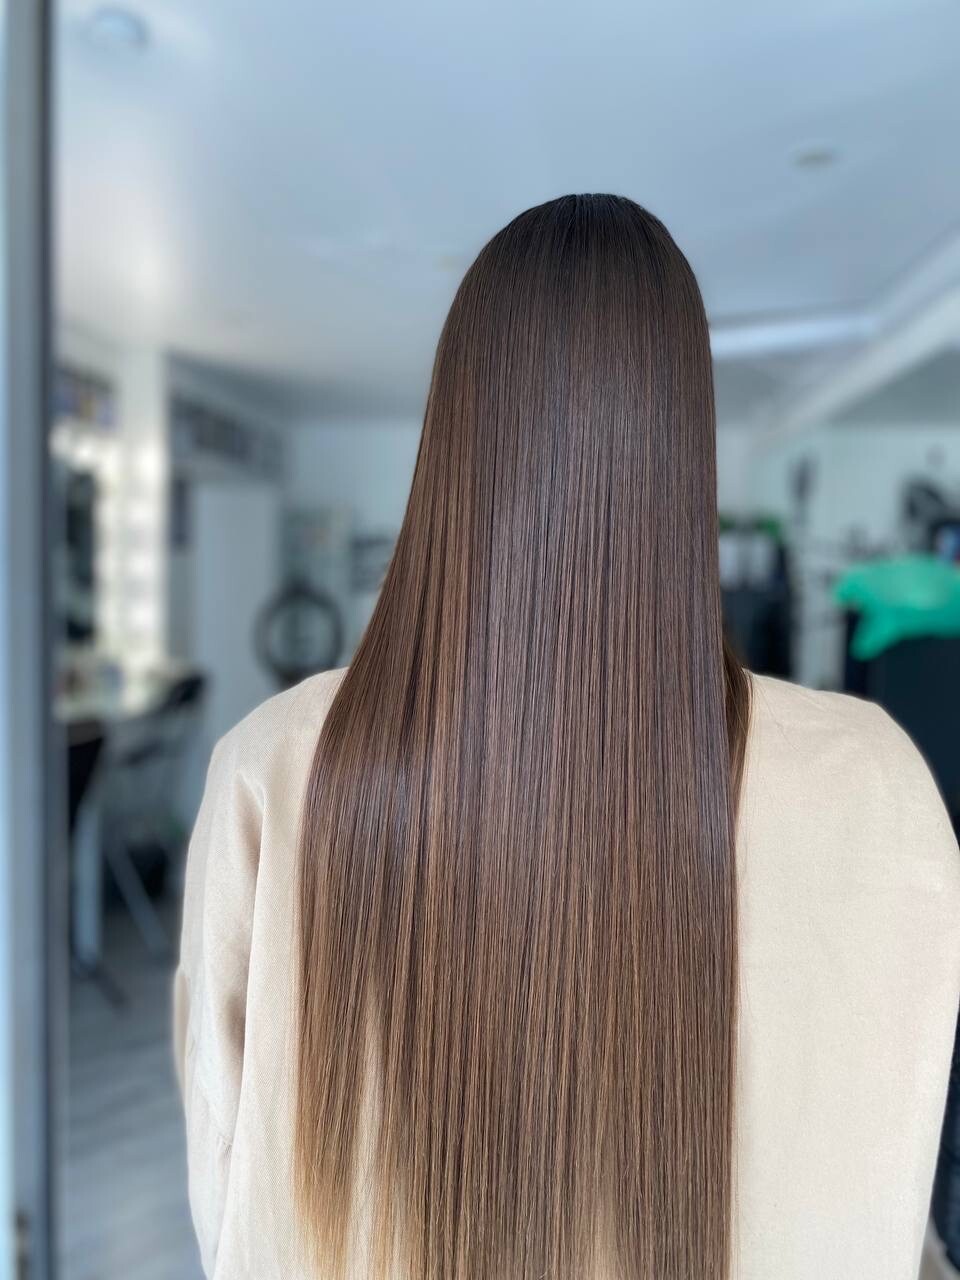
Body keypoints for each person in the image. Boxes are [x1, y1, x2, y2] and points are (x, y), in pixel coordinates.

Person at [173, 195, 960, 1280]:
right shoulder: (872, 778)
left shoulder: (276, 762)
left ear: (456, 432)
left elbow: (227, 1177)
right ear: (684, 441)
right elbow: (903, 1147)